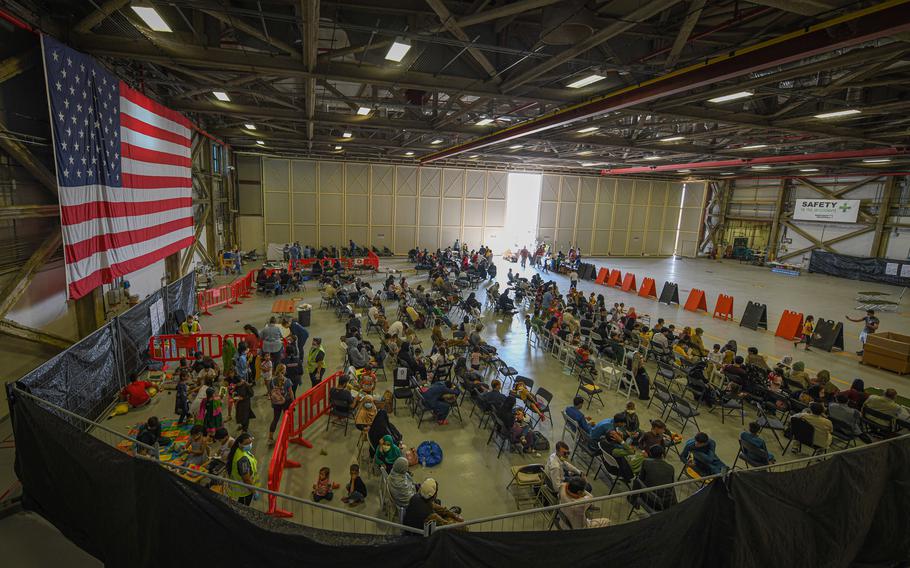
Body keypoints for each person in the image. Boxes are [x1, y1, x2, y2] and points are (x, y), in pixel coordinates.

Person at [226, 432, 258, 505]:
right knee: (242, 507)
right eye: (246, 443)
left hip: (239, 486)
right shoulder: (242, 460)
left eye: (250, 442)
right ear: (240, 444)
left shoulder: (238, 450)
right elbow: (246, 479)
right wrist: (254, 491)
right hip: (244, 491)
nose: (249, 445)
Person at [267, 367, 292, 446]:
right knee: (286, 418)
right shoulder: (287, 381)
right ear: (283, 371)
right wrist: (293, 401)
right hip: (286, 402)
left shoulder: (272, 381)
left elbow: (270, 392)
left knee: (275, 419)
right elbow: (290, 393)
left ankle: (270, 438)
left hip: (276, 403)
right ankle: (286, 434)